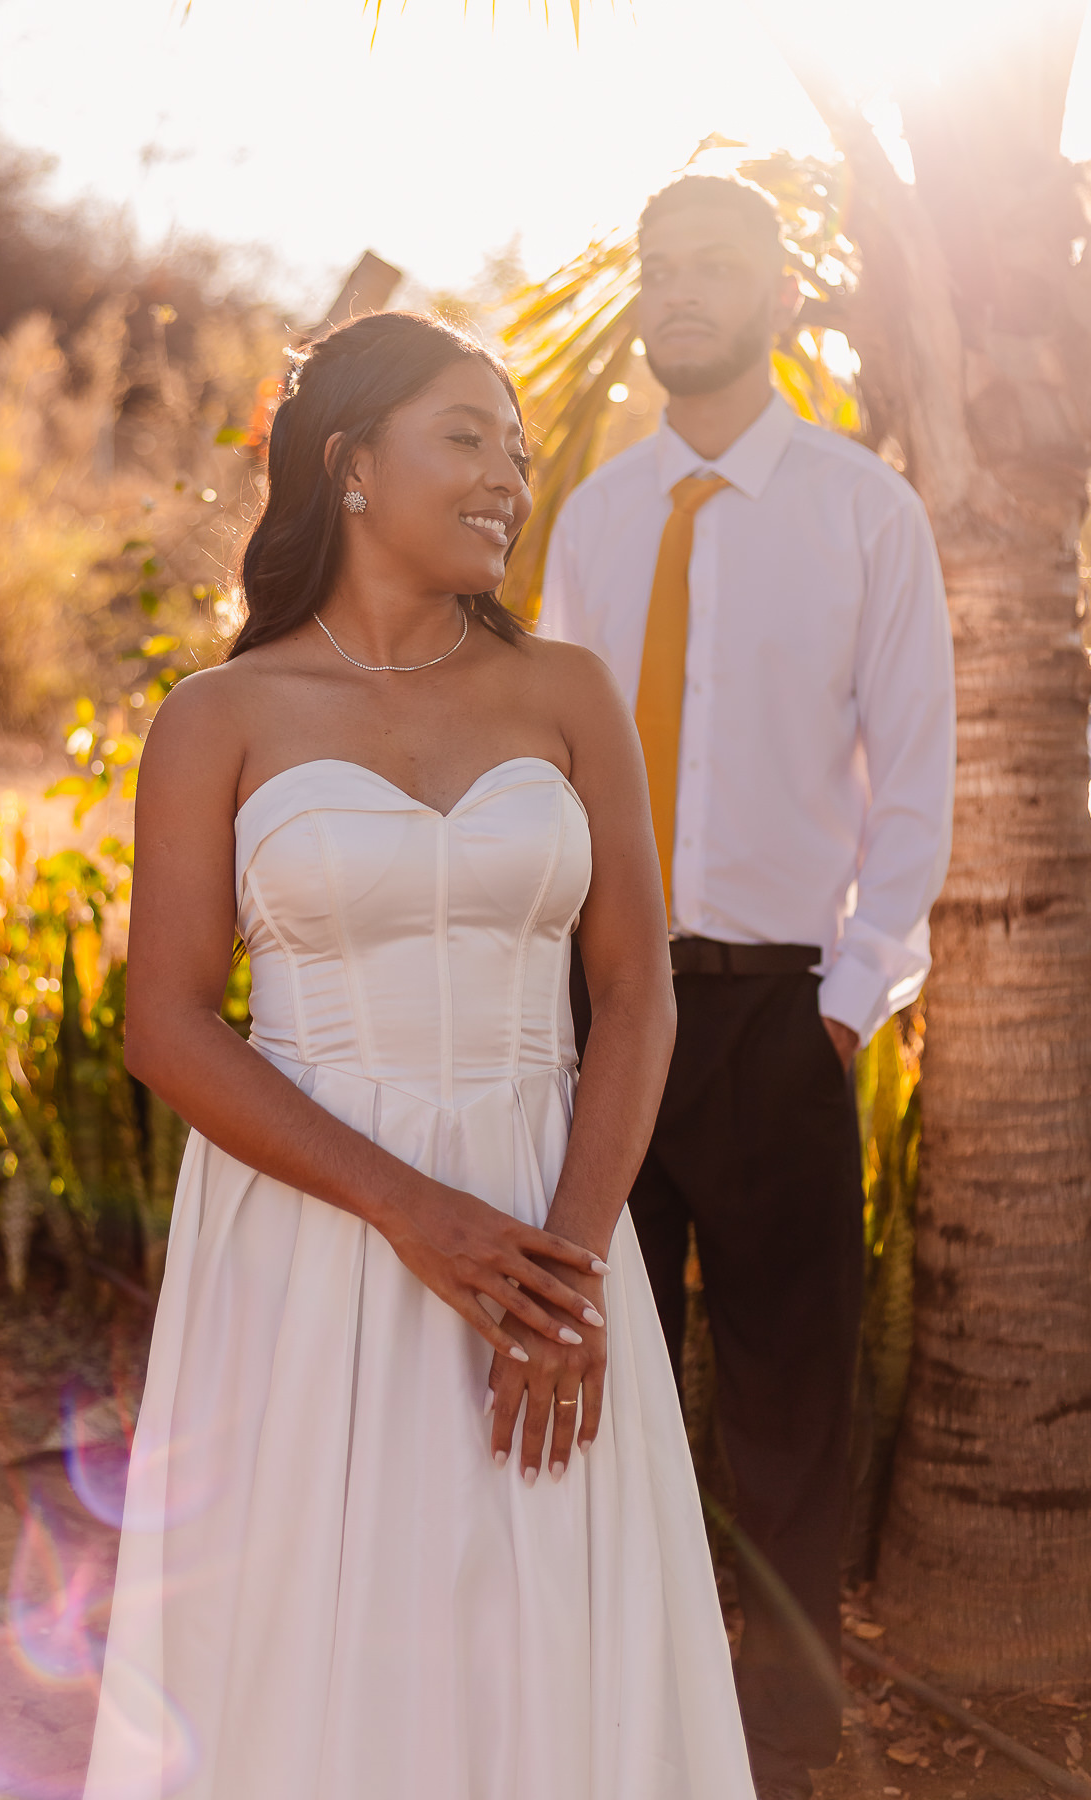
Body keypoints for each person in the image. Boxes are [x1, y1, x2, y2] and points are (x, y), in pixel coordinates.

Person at [83, 311, 757, 1800]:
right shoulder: (221, 717)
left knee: (533, 1613)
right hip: (313, 1235)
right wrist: (410, 1211)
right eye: (467, 438)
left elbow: (636, 994)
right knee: (323, 1631)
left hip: (542, 1227)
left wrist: (562, 1275)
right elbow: (170, 1023)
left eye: (516, 450)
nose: (508, 477)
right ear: (352, 467)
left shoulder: (567, 693)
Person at [540, 176, 956, 1800]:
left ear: (781, 290)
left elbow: (915, 788)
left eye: (713, 265)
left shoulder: (868, 513)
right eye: (656, 266)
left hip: (783, 1015)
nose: (676, 290)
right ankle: (608, 1708)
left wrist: (847, 1000)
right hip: (601, 1010)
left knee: (790, 1392)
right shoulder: (591, 517)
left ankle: (784, 1747)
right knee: (594, 1373)